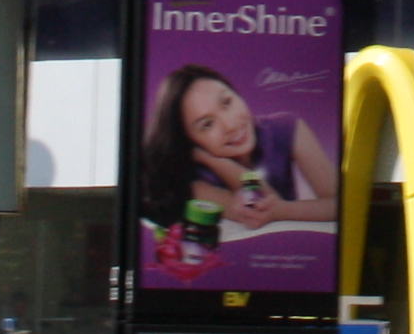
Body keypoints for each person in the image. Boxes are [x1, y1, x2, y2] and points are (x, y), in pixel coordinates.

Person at [132, 61, 336, 268]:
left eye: (227, 102)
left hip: (293, 257)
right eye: (207, 125)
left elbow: (339, 203)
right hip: (248, 263)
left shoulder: (285, 127)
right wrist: (216, 161)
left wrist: (282, 210)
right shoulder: (197, 183)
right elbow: (259, 207)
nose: (230, 125)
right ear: (190, 142)